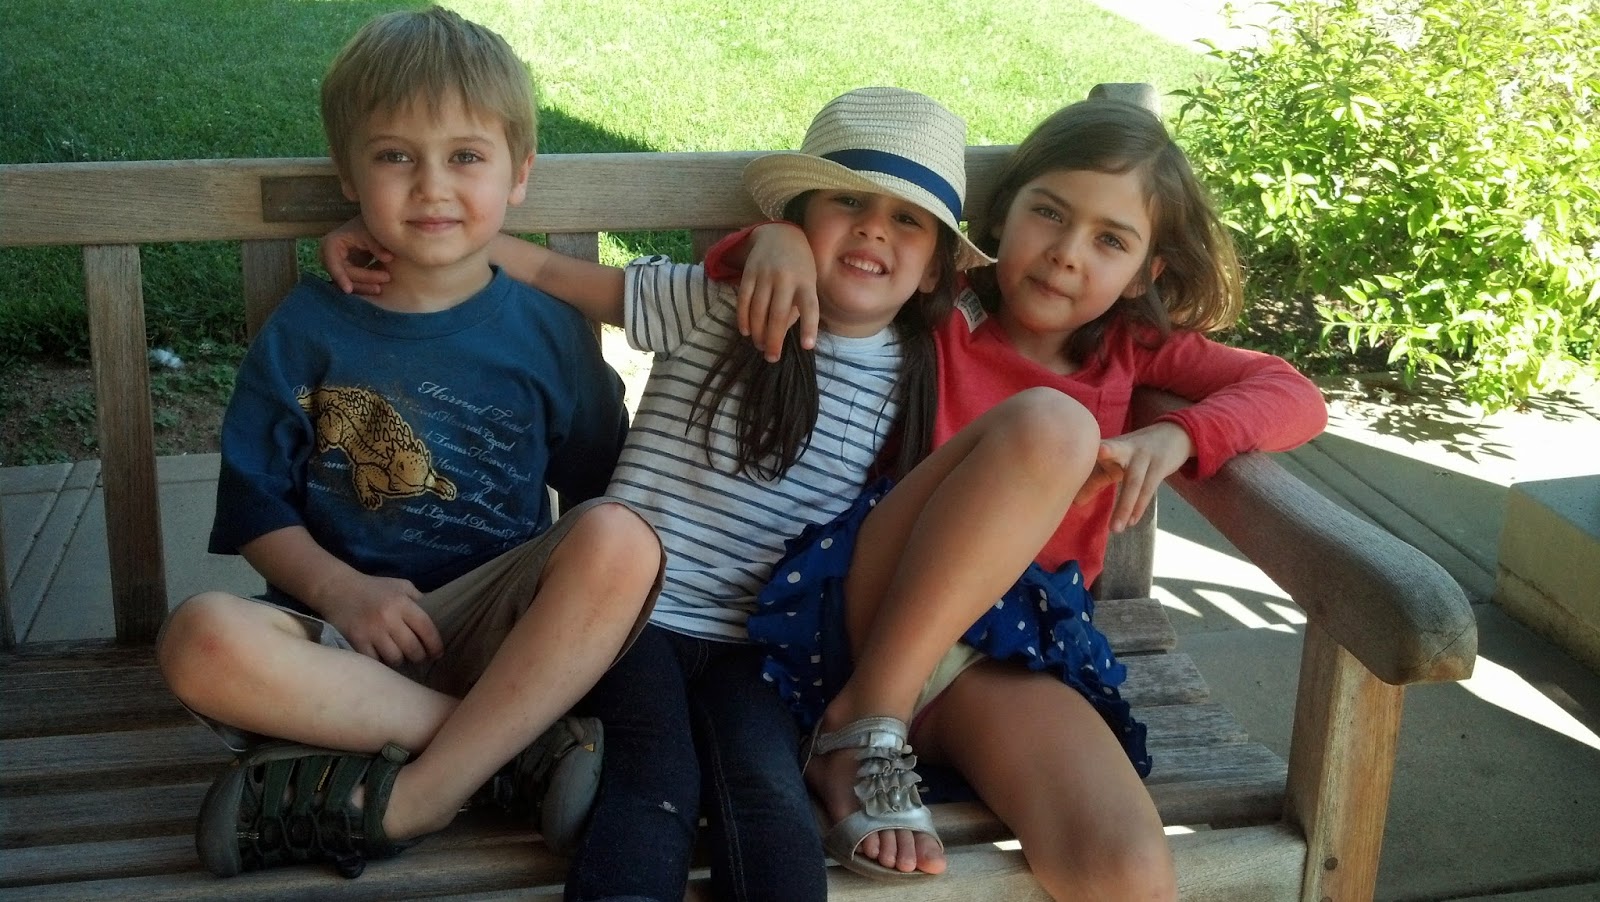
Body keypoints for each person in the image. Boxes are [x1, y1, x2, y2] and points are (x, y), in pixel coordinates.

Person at [324, 85, 987, 901]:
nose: (875, 229)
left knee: (768, 793)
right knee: (653, 780)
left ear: (934, 269)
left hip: (760, 647)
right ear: (802, 216)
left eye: (907, 220)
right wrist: (418, 238)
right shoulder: (711, 304)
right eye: (847, 202)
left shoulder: (924, 368)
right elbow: (548, 271)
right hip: (629, 619)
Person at [710, 97, 1329, 896]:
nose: (1066, 254)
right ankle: (862, 727)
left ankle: (880, 732)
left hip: (1002, 655)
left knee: (1126, 866)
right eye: (1050, 214)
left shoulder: (1132, 348)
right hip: (871, 606)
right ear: (1002, 217)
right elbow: (774, 268)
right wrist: (776, 239)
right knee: (1053, 427)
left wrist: (1179, 436)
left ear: (1146, 273)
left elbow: (1293, 394)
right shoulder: (935, 300)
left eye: (1110, 240)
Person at [155, 6, 664, 880]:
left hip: (499, 634)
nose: (431, 187)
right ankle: (509, 751)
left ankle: (417, 790)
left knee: (623, 539)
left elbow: (599, 489)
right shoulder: (307, 331)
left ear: (519, 173)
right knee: (198, 638)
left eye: (465, 156)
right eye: (396, 156)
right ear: (349, 173)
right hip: (340, 644)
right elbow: (255, 508)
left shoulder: (548, 332)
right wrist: (344, 593)